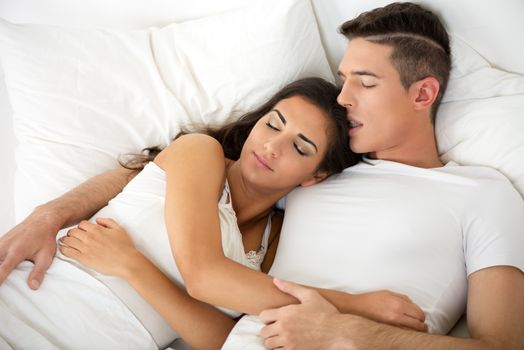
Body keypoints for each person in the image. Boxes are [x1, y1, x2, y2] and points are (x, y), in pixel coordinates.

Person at [0, 77, 426, 350]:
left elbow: (221, 339)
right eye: (273, 124)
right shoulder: (199, 154)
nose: (272, 146)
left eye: (300, 147)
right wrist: (358, 306)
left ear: (316, 176)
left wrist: (133, 266)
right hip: (31, 306)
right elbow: (203, 276)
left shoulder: (274, 243)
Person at [248, 3, 524, 349]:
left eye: (365, 83)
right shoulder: (312, 169)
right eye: (342, 80)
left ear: (422, 94)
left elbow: (504, 346)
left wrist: (343, 332)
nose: (342, 98)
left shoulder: (483, 195)